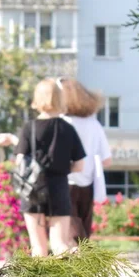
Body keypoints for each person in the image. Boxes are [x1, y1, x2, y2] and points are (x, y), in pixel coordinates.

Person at [0, 79, 112, 239]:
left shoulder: (31, 126)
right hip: (67, 188)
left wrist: (14, 141)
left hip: (39, 190)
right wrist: (62, 170)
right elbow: (93, 162)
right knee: (70, 242)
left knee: (42, 245)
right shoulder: (79, 126)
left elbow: (23, 160)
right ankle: (81, 263)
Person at [14, 78, 86, 257]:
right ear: (60, 99)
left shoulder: (28, 127)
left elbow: (19, 161)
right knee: (60, 244)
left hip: (32, 190)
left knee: (38, 247)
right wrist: (62, 167)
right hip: (58, 188)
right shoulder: (67, 129)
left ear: (37, 99)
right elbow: (79, 165)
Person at [57, 78, 112, 239]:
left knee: (67, 237)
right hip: (88, 186)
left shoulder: (61, 123)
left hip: (65, 183)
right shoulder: (94, 124)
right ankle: (85, 263)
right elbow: (107, 160)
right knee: (83, 236)